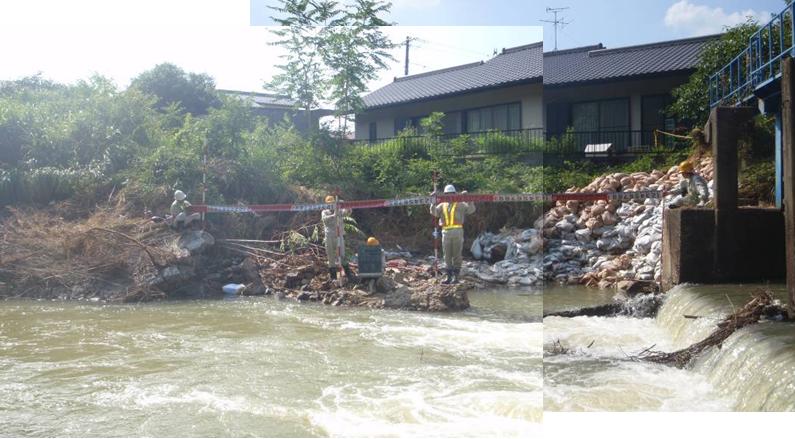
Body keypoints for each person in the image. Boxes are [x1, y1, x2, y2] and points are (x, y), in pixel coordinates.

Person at [430, 184, 475, 284]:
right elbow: (434, 213)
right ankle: (448, 277)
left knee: (457, 255)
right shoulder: (442, 205)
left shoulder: (461, 204)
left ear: (454, 194)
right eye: (447, 194)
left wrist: (469, 198)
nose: (449, 196)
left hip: (458, 232)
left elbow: (471, 210)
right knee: (447, 255)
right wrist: (433, 201)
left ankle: (456, 277)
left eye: (451, 194)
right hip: (445, 232)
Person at [321, 195, 355, 281]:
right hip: (329, 236)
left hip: (339, 236)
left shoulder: (339, 211)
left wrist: (345, 205)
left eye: (332, 203)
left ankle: (348, 275)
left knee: (342, 254)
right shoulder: (324, 211)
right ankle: (333, 277)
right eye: (329, 204)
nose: (331, 205)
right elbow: (325, 219)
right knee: (330, 256)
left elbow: (348, 212)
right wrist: (334, 215)